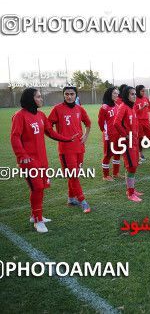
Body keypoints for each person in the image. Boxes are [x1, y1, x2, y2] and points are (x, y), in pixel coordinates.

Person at [11, 88, 77, 233]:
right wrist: (22, 156)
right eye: (39, 97)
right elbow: (15, 137)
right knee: (37, 188)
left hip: (42, 159)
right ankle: (38, 220)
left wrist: (67, 139)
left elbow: (50, 132)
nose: (41, 99)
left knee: (41, 188)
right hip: (28, 161)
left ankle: (34, 215)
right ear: (30, 99)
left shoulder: (41, 115)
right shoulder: (19, 116)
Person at [48, 85, 92, 213]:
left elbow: (88, 123)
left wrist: (85, 135)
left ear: (76, 95)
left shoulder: (79, 109)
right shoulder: (57, 109)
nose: (69, 96)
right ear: (63, 95)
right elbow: (48, 126)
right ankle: (82, 200)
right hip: (66, 149)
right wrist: (59, 137)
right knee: (73, 175)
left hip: (79, 147)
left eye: (72, 94)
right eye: (66, 94)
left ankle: (71, 198)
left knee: (75, 174)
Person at [114, 86, 144, 202]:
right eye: (132, 94)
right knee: (131, 166)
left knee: (134, 166)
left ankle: (132, 189)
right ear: (126, 95)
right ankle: (130, 193)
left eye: (135, 94)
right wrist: (125, 135)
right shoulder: (123, 107)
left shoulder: (132, 107)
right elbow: (116, 123)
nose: (134, 96)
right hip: (128, 142)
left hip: (134, 141)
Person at [98, 87, 121, 181]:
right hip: (109, 135)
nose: (117, 95)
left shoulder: (116, 105)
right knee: (108, 155)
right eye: (115, 93)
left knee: (117, 153)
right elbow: (100, 123)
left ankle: (116, 173)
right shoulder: (104, 107)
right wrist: (106, 132)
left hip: (118, 135)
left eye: (117, 93)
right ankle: (106, 175)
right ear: (109, 94)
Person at [134, 85, 150, 163]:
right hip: (138, 121)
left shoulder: (146, 99)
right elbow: (134, 111)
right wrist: (142, 107)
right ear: (138, 91)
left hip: (146, 121)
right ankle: (140, 154)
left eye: (144, 91)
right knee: (140, 138)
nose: (144, 92)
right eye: (142, 91)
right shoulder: (134, 99)